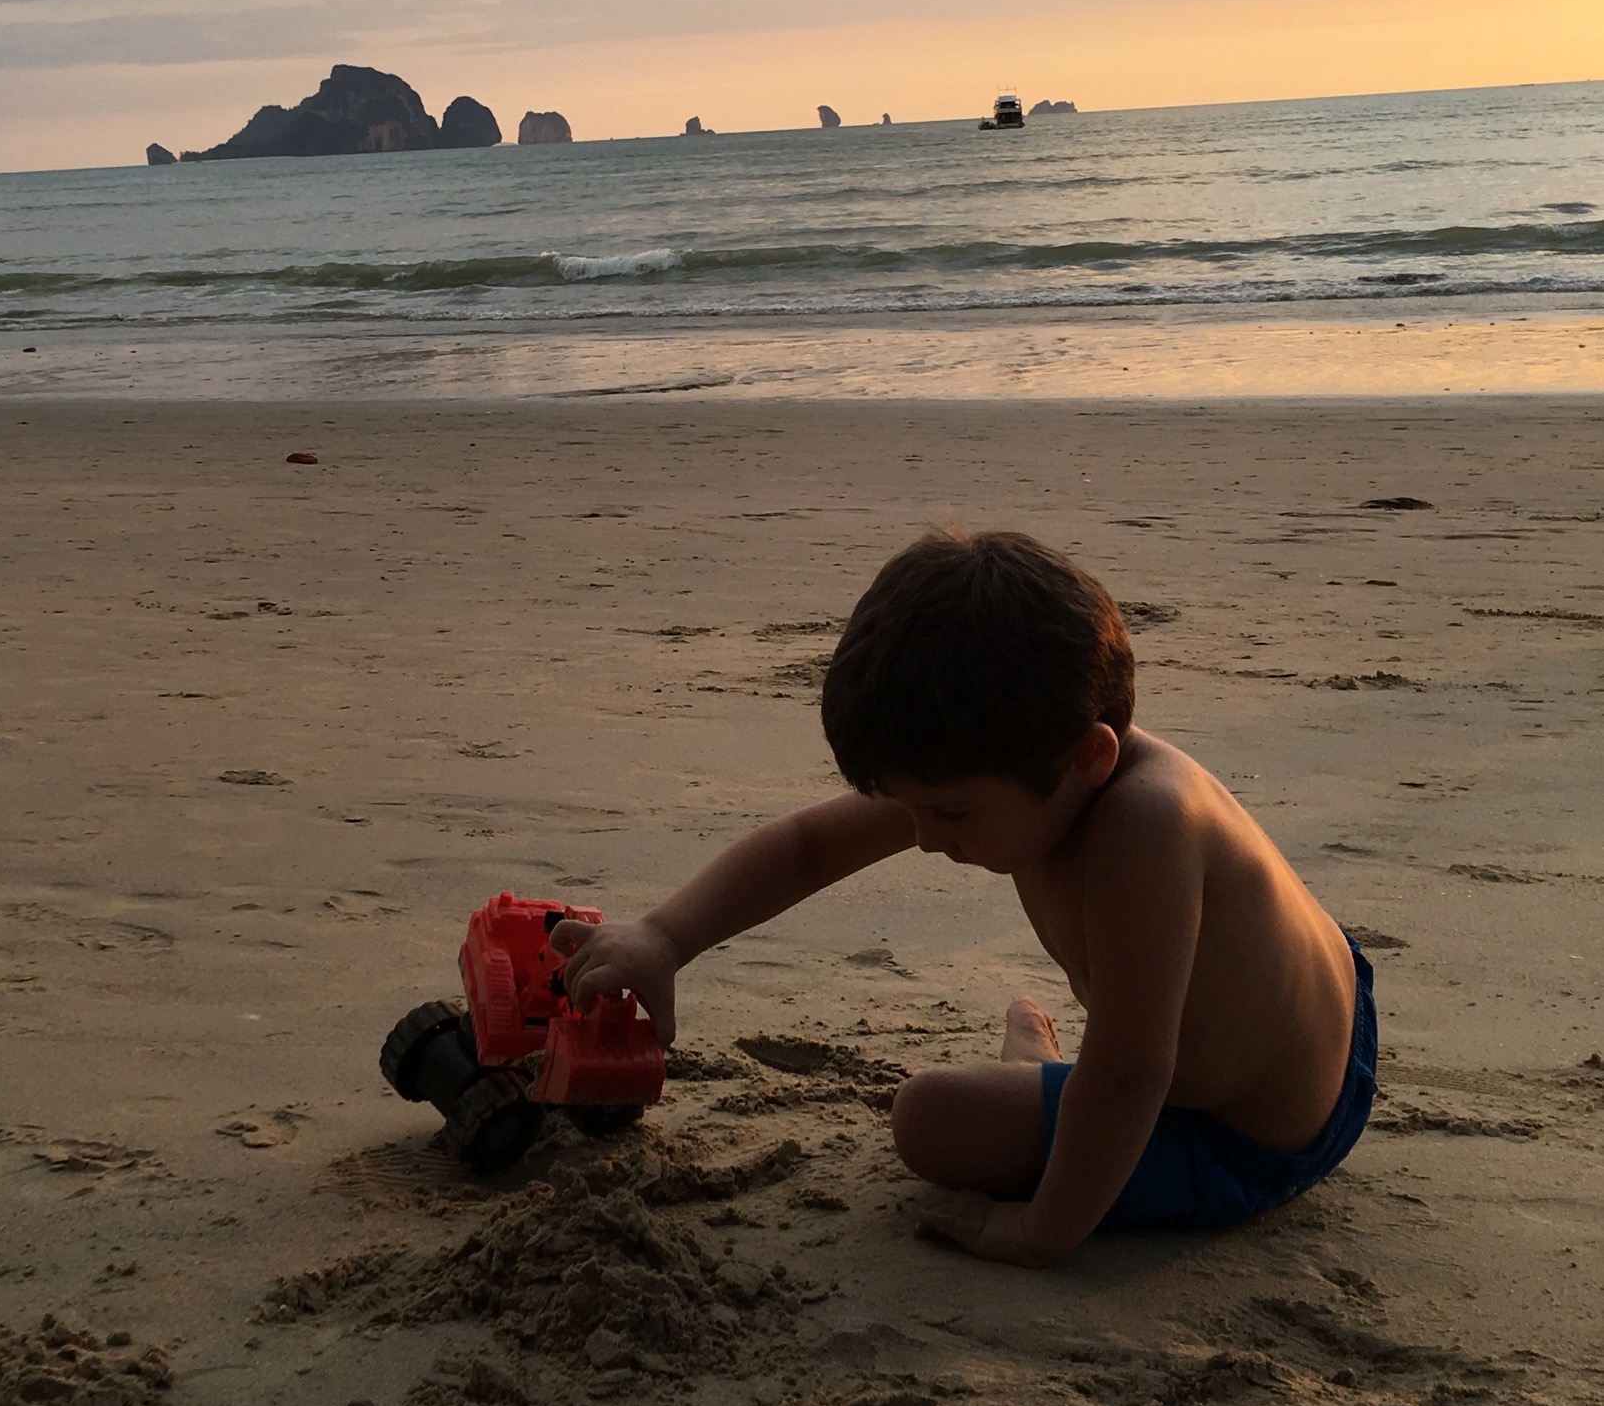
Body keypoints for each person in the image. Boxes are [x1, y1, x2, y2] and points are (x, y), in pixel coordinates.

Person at [556, 528, 1376, 1265]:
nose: (920, 836)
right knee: (1029, 1091)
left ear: (1088, 759)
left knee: (931, 1121)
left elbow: (1131, 1076)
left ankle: (1039, 1073)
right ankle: (1043, 1075)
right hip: (1279, 1025)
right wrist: (666, 937)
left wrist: (1041, 1230)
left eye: (948, 814)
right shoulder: (1015, 757)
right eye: (906, 807)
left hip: (1249, 1130)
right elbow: (810, 845)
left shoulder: (1146, 827)